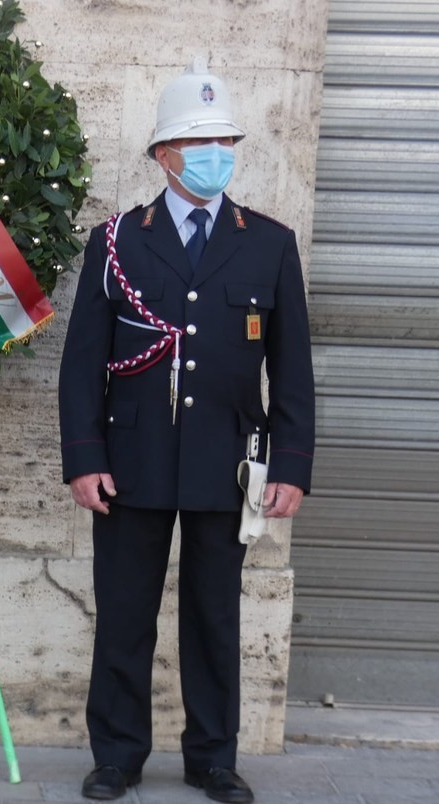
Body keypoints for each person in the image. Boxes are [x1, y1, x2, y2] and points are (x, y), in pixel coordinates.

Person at [58, 59, 315, 804]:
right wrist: (84, 459)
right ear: (164, 155)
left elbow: (291, 368)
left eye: (225, 139)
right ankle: (117, 754)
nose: (217, 154)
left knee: (214, 617)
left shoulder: (267, 243)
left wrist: (291, 463)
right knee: (125, 612)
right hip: (131, 460)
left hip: (225, 460)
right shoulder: (117, 243)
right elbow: (82, 366)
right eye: (200, 142)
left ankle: (212, 757)